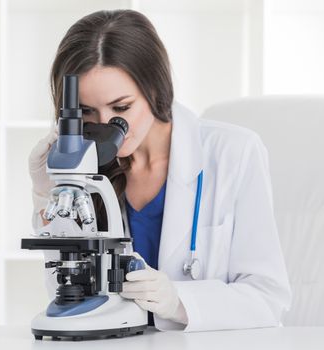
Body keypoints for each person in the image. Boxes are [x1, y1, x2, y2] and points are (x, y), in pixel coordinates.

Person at [28, 9, 291, 332]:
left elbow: (267, 297)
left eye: (121, 109)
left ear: (154, 90)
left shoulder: (233, 153)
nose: (103, 126)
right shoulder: (88, 169)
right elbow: (63, 289)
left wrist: (178, 300)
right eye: (86, 112)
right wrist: (45, 192)